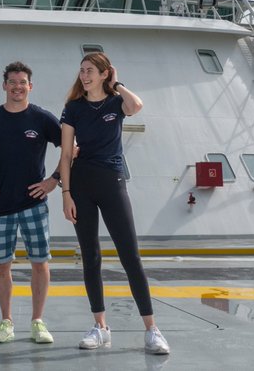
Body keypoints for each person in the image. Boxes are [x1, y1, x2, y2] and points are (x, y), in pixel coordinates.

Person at [59, 52, 170, 354]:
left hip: (112, 183)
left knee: (130, 256)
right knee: (90, 257)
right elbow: (66, 155)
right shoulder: (73, 108)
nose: (84, 75)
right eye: (81, 70)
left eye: (91, 70)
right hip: (81, 187)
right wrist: (66, 194)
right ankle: (100, 326)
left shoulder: (115, 104)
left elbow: (136, 106)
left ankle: (152, 329)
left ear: (105, 73)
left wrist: (117, 83)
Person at [0, 62, 62, 344]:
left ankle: (37, 322)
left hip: (34, 204)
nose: (17, 87)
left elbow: (72, 149)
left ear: (30, 86)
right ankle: (6, 321)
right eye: (12, 82)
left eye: (22, 82)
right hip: (0, 205)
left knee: (40, 263)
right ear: (4, 85)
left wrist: (53, 180)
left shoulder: (43, 119)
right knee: (1, 265)